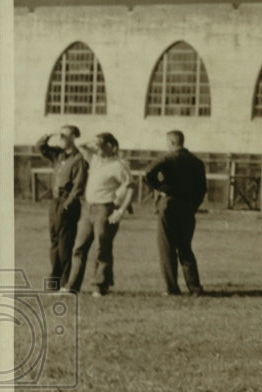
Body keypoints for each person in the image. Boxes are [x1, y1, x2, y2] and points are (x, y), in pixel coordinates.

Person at [68, 133, 134, 297]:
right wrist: (94, 141)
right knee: (79, 247)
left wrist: (120, 211)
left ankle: (100, 285)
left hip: (105, 209)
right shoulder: (95, 159)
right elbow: (78, 143)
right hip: (88, 208)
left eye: (101, 145)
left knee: (101, 247)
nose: (97, 148)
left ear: (111, 146)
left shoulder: (119, 165)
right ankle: (72, 286)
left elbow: (131, 187)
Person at [144, 130, 207, 296]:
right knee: (185, 247)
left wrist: (161, 188)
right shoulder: (197, 162)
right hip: (187, 207)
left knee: (167, 247)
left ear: (171, 142)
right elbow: (202, 189)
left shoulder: (167, 158)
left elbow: (147, 174)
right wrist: (193, 205)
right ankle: (195, 287)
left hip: (169, 204)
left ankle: (172, 288)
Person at [35, 126, 88, 289]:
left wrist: (68, 204)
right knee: (54, 241)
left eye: (65, 136)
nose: (62, 138)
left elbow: (78, 185)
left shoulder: (79, 159)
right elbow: (41, 148)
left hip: (67, 203)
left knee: (65, 244)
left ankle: (65, 281)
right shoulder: (59, 155)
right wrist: (46, 135)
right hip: (55, 201)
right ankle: (54, 280)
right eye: (61, 136)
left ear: (73, 137)